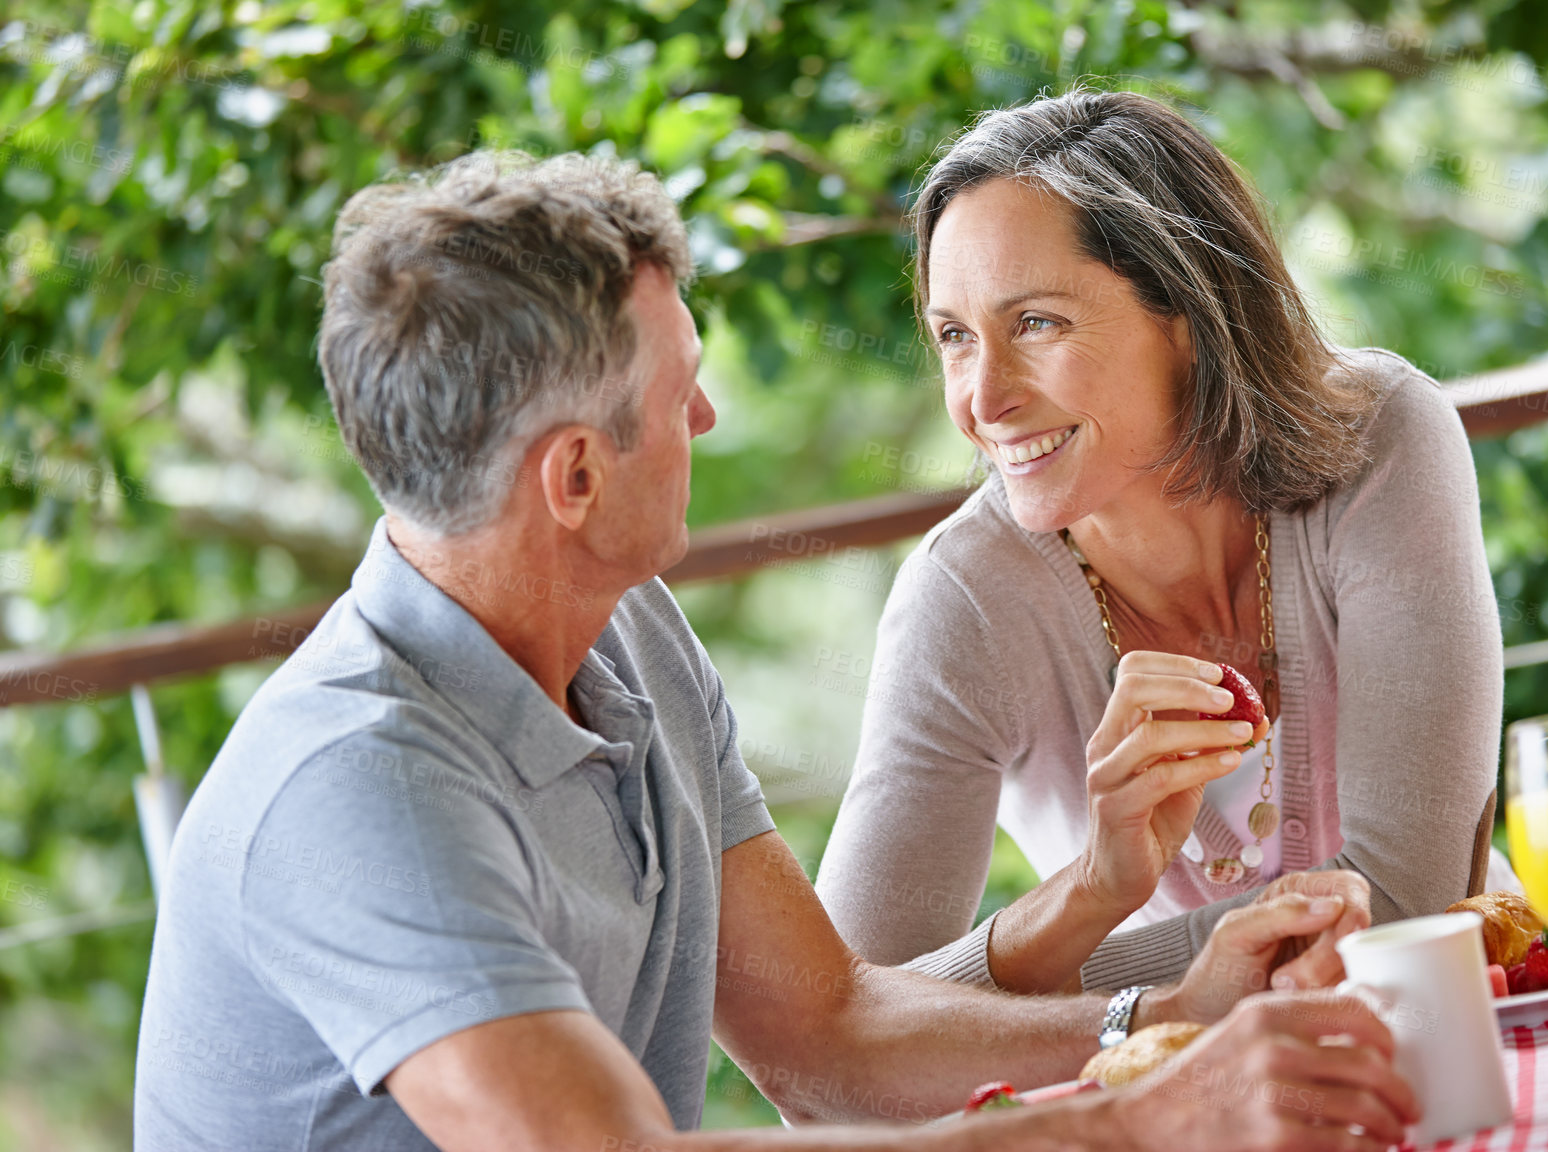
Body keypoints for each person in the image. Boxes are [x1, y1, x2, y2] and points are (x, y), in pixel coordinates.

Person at [132, 148, 1417, 1151]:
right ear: (574, 474)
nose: (705, 411)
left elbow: (828, 1032)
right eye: (677, 386)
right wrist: (1135, 1120)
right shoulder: (361, 787)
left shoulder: (622, 623)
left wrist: (1165, 1022)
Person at [815, 88, 1504, 996]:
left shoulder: (1377, 439)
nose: (983, 401)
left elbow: (1402, 904)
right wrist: (1092, 893)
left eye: (1036, 324)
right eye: (954, 337)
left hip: (1469, 1020)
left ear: (1187, 312)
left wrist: (1022, 993)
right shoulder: (966, 600)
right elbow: (841, 1043)